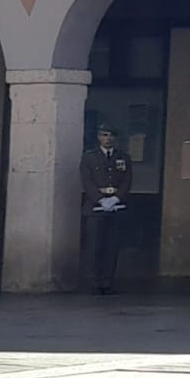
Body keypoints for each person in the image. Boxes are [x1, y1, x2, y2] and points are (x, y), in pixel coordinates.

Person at [80, 124, 132, 296]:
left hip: (116, 206)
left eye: (111, 135)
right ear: (99, 137)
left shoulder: (123, 157)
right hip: (95, 207)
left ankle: (107, 282)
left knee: (111, 247)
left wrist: (116, 198)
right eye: (104, 135)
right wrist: (101, 200)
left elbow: (126, 180)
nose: (108, 138)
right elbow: (87, 181)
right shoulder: (89, 157)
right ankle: (94, 282)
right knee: (95, 247)